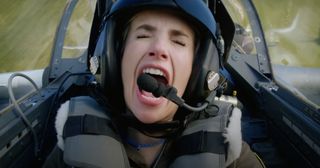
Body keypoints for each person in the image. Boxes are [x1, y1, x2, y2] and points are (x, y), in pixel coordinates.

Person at [43, 0, 265, 167]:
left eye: (178, 41)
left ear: (198, 70)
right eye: (142, 36)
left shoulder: (231, 155)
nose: (159, 48)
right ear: (114, 57)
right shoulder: (72, 143)